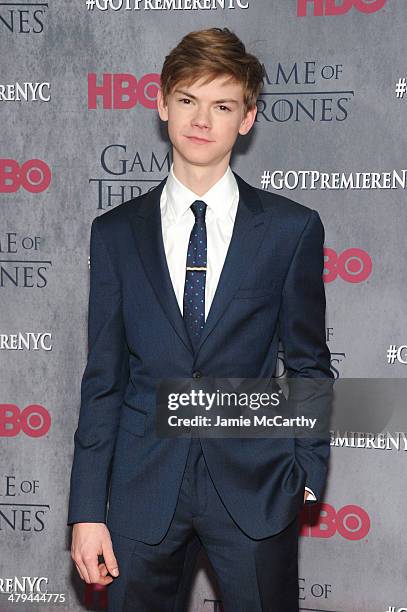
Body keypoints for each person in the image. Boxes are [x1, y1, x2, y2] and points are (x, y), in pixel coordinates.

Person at [67, 27, 334, 612]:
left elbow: (311, 362)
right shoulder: (114, 235)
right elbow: (104, 378)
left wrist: (307, 472)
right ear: (162, 104)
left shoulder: (291, 230)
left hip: (255, 487)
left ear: (246, 119)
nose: (201, 119)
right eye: (188, 99)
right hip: (140, 492)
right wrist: (87, 509)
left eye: (222, 105)